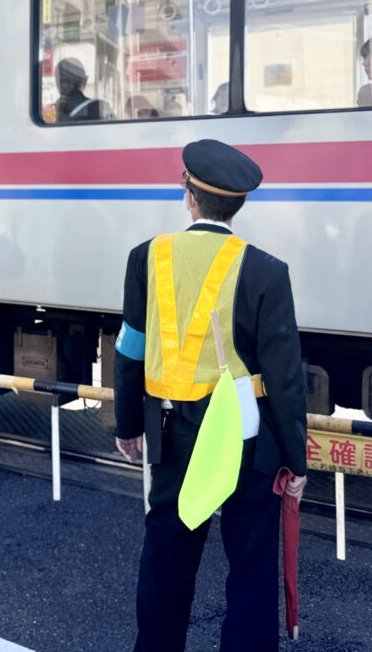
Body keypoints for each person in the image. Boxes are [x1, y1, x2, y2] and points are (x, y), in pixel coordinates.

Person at [114, 140, 307, 652]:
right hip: (246, 434)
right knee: (251, 564)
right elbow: (285, 377)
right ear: (238, 204)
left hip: (171, 432)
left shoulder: (147, 257)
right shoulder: (268, 270)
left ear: (189, 195)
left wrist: (127, 423)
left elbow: (131, 348)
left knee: (167, 554)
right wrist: (296, 461)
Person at [55, 58, 109, 122]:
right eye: (62, 81)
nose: (65, 86)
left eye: (67, 81)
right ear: (85, 80)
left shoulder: (97, 107)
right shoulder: (100, 107)